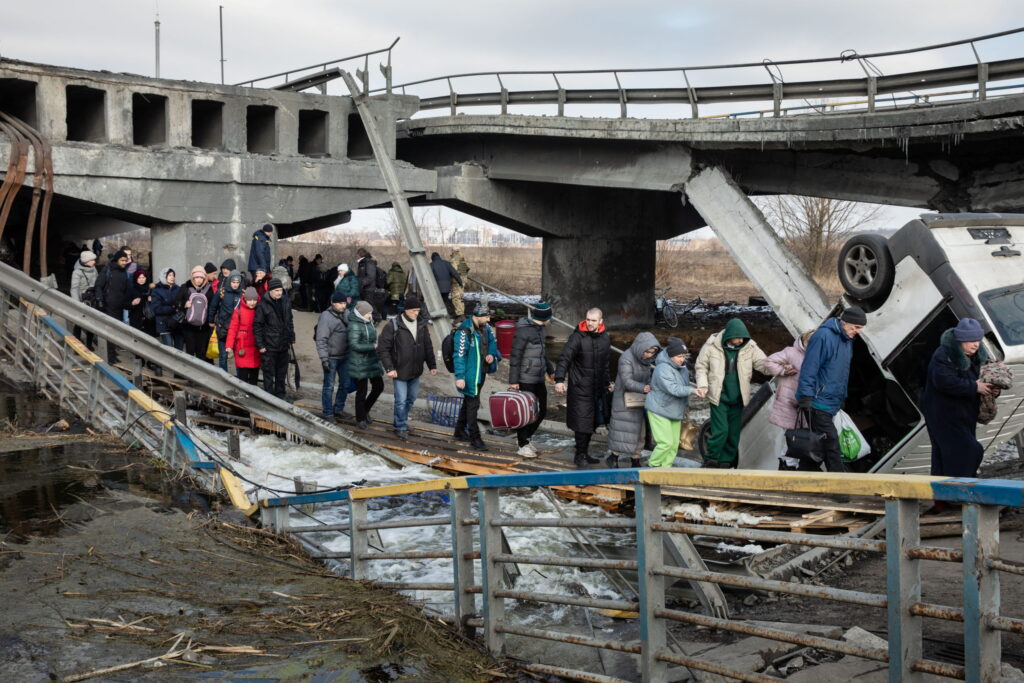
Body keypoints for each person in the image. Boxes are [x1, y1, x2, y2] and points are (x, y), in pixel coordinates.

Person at [796, 306, 868, 473]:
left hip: (831, 402)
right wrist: (806, 396)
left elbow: (841, 372)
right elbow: (810, 368)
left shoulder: (846, 340)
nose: (858, 331)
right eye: (856, 327)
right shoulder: (823, 337)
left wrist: (842, 396)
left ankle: (804, 478)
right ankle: (839, 487)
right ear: (845, 323)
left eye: (860, 328)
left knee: (819, 445)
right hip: (817, 401)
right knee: (832, 445)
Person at [922, 318, 993, 479]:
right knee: (968, 451)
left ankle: (943, 499)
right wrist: (975, 387)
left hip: (964, 413)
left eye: (977, 340)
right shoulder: (943, 354)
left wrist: (990, 387)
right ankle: (960, 491)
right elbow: (943, 381)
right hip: (943, 414)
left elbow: (982, 380)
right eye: (970, 340)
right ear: (960, 340)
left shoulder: (977, 356)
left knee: (945, 455)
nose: (975, 344)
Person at [694, 318, 768, 469]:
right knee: (721, 431)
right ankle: (711, 459)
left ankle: (726, 462)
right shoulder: (711, 345)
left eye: (743, 337)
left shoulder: (750, 347)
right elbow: (701, 367)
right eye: (738, 337)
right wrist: (702, 385)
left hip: (738, 398)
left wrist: (782, 368)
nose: (741, 340)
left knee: (733, 433)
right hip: (719, 396)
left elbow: (764, 364)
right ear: (729, 335)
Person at [554, 307, 612, 467]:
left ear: (601, 321)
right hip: (580, 387)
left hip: (597, 388)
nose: (590, 323)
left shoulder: (605, 338)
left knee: (591, 422)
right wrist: (559, 379)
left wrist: (607, 383)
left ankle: (585, 453)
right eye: (588, 320)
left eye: (593, 320)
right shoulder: (577, 337)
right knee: (581, 423)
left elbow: (605, 364)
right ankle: (579, 455)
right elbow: (564, 358)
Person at [377, 296, 437, 440]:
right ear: (406, 310)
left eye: (418, 310)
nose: (416, 313)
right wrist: (389, 368)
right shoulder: (393, 325)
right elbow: (383, 349)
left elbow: (427, 346)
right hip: (399, 370)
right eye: (413, 310)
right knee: (401, 400)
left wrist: (432, 365)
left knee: (411, 398)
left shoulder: (421, 325)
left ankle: (400, 420)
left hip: (415, 370)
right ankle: (400, 425)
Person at [508, 301, 555, 458]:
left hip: (538, 377)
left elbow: (542, 354)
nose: (551, 319)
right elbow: (515, 356)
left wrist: (550, 370)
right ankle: (522, 444)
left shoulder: (541, 330)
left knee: (541, 411)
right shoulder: (523, 332)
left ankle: (527, 439)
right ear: (544, 317)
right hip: (525, 378)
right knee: (526, 413)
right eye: (550, 316)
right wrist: (514, 381)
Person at [763, 330, 816, 470]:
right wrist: (783, 371)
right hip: (788, 402)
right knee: (792, 436)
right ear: (805, 342)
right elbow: (769, 361)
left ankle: (791, 464)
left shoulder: (815, 355)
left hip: (804, 403)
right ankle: (787, 465)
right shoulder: (791, 352)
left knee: (798, 436)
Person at [608, 332, 661, 468]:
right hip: (624, 400)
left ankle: (635, 459)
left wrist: (651, 386)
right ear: (641, 347)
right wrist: (645, 388)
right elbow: (626, 381)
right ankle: (614, 456)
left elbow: (648, 377)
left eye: (652, 353)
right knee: (622, 431)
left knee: (640, 433)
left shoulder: (646, 361)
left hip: (639, 400)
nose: (649, 355)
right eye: (648, 352)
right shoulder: (626, 357)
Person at [453, 302, 499, 451]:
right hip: (470, 375)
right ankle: (475, 438)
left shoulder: (486, 328)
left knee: (469, 401)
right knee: (473, 404)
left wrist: (491, 354)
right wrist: (460, 377)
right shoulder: (464, 331)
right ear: (477, 316)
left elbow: (492, 342)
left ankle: (459, 431)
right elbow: (459, 356)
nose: (488, 320)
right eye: (485, 317)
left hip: (482, 372)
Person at [646, 338, 694, 468]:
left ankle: (665, 469)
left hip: (675, 409)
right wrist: (693, 390)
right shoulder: (662, 368)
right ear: (670, 355)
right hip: (659, 409)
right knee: (665, 443)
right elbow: (674, 389)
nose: (682, 359)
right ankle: (653, 466)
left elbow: (684, 386)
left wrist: (685, 407)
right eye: (679, 356)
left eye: (684, 356)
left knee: (673, 444)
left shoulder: (682, 368)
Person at [254, 278, 295, 399]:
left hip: (283, 344)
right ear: (270, 291)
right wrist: (260, 345)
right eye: (276, 290)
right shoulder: (262, 305)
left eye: (281, 290)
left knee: (281, 374)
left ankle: (280, 397)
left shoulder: (286, 302)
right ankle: (268, 398)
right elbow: (257, 326)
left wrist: (291, 337)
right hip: (269, 346)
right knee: (268, 374)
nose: (279, 292)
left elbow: (290, 321)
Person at [315, 291, 351, 421]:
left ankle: (338, 409)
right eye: (340, 303)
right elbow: (321, 339)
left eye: (344, 303)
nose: (343, 306)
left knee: (345, 384)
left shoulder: (347, 313)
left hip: (345, 356)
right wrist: (324, 359)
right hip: (331, 357)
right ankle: (328, 413)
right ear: (333, 303)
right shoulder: (326, 317)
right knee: (329, 386)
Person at [348, 300, 384, 429]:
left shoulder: (369, 322)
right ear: (361, 313)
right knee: (361, 391)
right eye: (368, 313)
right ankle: (360, 418)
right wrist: (373, 346)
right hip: (359, 362)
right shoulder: (354, 325)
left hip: (371, 360)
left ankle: (365, 410)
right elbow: (354, 345)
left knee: (379, 386)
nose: (370, 315)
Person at [93, 249, 131, 363]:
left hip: (119, 307)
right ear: (117, 260)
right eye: (122, 260)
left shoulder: (124, 272)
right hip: (107, 306)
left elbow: (126, 289)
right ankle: (108, 355)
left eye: (126, 260)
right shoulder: (107, 270)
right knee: (109, 331)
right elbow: (98, 285)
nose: (124, 262)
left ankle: (112, 353)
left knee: (115, 331)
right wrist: (100, 299)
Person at [175, 265, 216, 362]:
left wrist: (211, 321)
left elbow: (212, 306)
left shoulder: (209, 289)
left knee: (201, 352)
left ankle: (199, 375)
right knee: (190, 351)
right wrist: (184, 304)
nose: (199, 280)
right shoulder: (185, 287)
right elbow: (176, 301)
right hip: (188, 326)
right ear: (193, 277)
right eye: (196, 277)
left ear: (204, 278)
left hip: (203, 327)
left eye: (201, 277)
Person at [225, 287, 261, 385]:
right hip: (242, 347)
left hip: (255, 346)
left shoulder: (260, 309)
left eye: (254, 300)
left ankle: (254, 394)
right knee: (243, 375)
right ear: (245, 299)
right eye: (250, 300)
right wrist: (229, 345)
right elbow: (233, 328)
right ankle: (244, 394)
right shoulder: (239, 310)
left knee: (254, 373)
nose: (252, 302)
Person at [211, 270, 244, 372]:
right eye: (233, 282)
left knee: (238, 357)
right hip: (223, 328)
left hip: (237, 330)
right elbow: (213, 306)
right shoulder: (222, 292)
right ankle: (224, 379)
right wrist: (211, 320)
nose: (235, 285)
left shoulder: (243, 294)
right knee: (223, 357)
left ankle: (239, 381)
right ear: (229, 281)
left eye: (237, 282)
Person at [69, 249, 98, 350]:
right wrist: (77, 304)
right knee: (79, 324)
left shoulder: (94, 269)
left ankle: (89, 345)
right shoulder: (77, 272)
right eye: (92, 260)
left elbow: (97, 284)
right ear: (86, 261)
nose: (94, 261)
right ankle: (77, 346)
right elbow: (74, 288)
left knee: (91, 323)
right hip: (82, 301)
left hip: (92, 300)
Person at [150, 268, 183, 350]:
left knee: (180, 350)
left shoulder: (178, 289)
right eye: (169, 275)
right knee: (169, 350)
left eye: (173, 275)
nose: (172, 277)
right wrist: (173, 308)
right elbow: (156, 308)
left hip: (177, 322)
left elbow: (181, 304)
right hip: (163, 324)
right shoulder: (157, 290)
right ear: (164, 276)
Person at [450, 248, 470, 318]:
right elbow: (467, 269)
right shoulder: (462, 259)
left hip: (457, 282)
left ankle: (459, 315)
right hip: (463, 281)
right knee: (460, 298)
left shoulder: (454, 259)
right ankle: (461, 314)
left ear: (453, 251)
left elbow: (453, 271)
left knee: (456, 298)